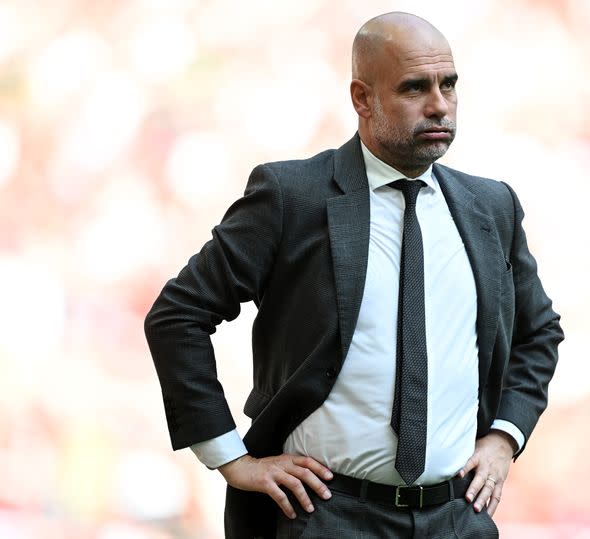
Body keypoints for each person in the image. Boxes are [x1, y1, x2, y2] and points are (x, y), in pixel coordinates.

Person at [144, 11, 563, 539]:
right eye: (415, 88)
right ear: (363, 98)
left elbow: (539, 331)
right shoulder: (290, 196)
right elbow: (178, 316)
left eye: (448, 85)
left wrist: (505, 436)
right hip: (326, 515)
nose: (439, 104)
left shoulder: (491, 206)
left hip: (457, 517)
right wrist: (231, 458)